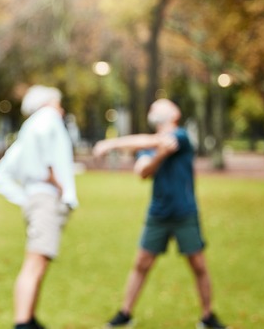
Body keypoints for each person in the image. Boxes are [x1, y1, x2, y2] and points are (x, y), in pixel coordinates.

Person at [92, 99, 227, 329]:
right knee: (141, 263)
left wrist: (111, 144)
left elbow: (158, 142)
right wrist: (159, 156)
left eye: (159, 105)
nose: (153, 108)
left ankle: (208, 317)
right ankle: (125, 313)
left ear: (174, 113)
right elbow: (143, 172)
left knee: (198, 265)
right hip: (158, 214)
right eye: (152, 106)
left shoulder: (182, 136)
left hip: (185, 213)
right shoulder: (149, 145)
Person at [0, 85, 79, 329]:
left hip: (37, 200)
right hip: (46, 200)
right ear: (48, 102)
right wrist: (55, 179)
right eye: (58, 103)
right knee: (35, 263)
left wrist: (25, 198)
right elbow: (46, 153)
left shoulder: (28, 129)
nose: (61, 108)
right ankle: (23, 323)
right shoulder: (46, 119)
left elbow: (0, 175)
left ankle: (29, 319)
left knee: (39, 262)